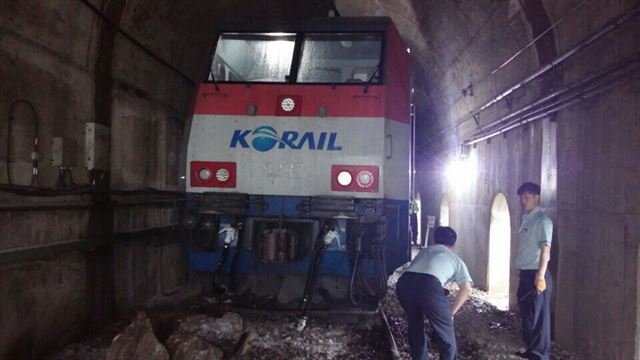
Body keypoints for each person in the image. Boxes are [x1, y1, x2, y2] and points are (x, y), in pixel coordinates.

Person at [395, 226, 473, 360]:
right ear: (454, 244)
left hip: (404, 284)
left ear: (435, 240)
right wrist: (450, 313)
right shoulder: (455, 259)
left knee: (415, 323)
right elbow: (466, 289)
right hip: (429, 286)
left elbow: (419, 273)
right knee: (446, 337)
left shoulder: (424, 251)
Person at [514, 182, 553, 360]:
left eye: (526, 197)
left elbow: (545, 250)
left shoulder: (542, 221)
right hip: (526, 273)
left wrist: (540, 276)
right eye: (522, 198)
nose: (523, 201)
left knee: (538, 318)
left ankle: (540, 355)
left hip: (536, 274)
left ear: (536, 197)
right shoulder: (526, 219)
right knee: (527, 313)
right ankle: (531, 349)